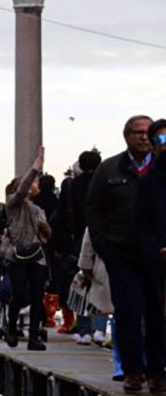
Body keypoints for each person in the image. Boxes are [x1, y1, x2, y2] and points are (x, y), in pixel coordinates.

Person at [88, 116, 165, 393]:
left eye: (149, 134)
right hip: (122, 254)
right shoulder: (109, 169)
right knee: (128, 313)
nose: (143, 138)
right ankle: (132, 371)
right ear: (126, 136)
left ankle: (157, 371)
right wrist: (103, 246)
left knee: (158, 314)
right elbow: (94, 210)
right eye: (137, 133)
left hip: (158, 256)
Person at [3, 147, 50, 351]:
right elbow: (21, 191)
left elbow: (48, 234)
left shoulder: (38, 209)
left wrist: (45, 229)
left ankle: (33, 337)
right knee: (20, 294)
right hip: (17, 254)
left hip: (36, 254)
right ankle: (11, 327)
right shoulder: (13, 205)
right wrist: (35, 168)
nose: (33, 185)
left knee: (38, 296)